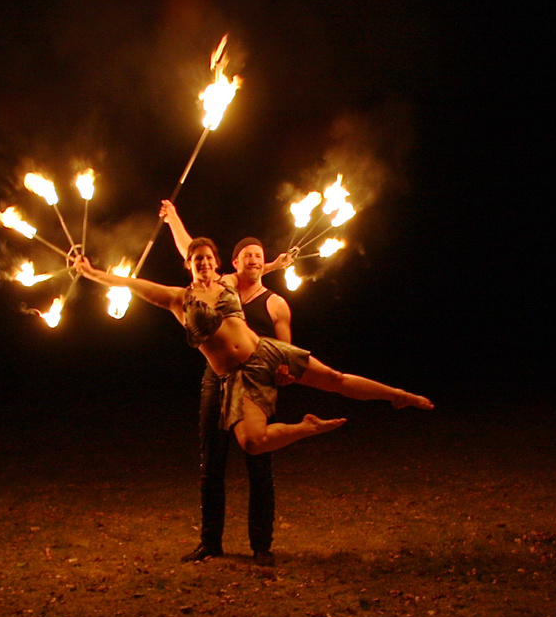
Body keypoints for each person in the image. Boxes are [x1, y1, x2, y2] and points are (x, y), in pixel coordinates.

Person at [73, 200, 432, 540]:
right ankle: (307, 428)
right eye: (197, 259)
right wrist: (93, 272)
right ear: (189, 264)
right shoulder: (177, 299)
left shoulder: (228, 282)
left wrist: (274, 263)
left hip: (265, 352)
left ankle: (400, 396)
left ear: (217, 262)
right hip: (237, 379)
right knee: (252, 442)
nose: (203, 262)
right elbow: (129, 282)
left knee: (334, 379)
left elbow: (251, 265)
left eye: (209, 258)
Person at [159, 205, 292, 565]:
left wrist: (282, 368)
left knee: (258, 459)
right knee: (211, 462)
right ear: (232, 262)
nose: (253, 261)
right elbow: (193, 251)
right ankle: (210, 542)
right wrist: (173, 218)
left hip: (256, 379)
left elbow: (287, 346)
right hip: (216, 379)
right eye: (247, 255)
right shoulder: (221, 283)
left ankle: (261, 545)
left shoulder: (271, 300)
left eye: (259, 258)